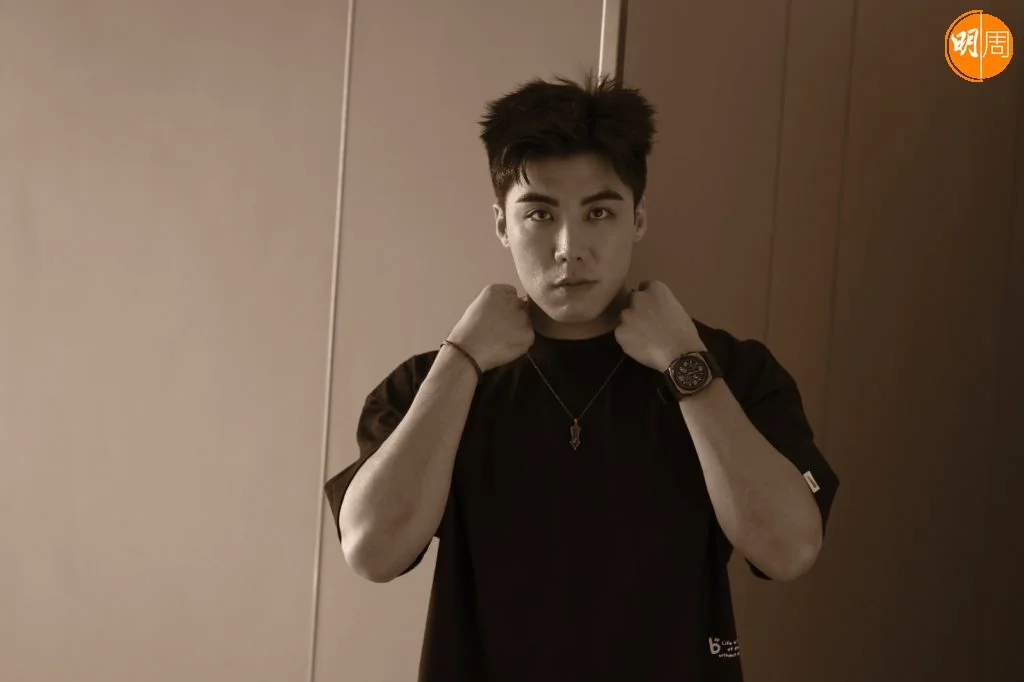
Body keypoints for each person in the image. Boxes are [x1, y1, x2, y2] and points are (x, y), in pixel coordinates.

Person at [324, 70, 840, 682]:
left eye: (599, 212)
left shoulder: (730, 371)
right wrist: (459, 360)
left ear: (638, 218)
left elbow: (789, 551)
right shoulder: (433, 383)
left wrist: (687, 366)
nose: (570, 246)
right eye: (540, 214)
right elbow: (371, 551)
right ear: (502, 224)